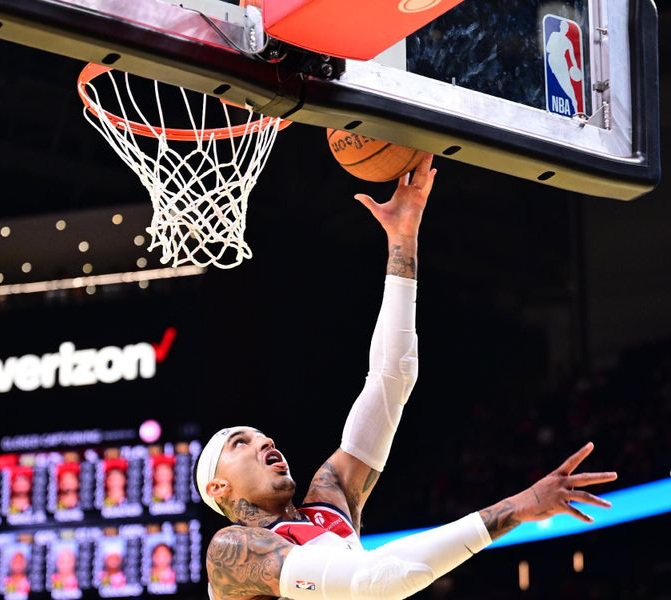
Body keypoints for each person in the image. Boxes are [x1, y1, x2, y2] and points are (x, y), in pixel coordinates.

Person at [197, 155, 618, 600]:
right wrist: (518, 507)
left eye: (261, 436)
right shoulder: (232, 550)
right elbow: (379, 581)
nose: (265, 442)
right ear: (217, 488)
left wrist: (403, 238)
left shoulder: (329, 499)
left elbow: (391, 377)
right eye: (240, 443)